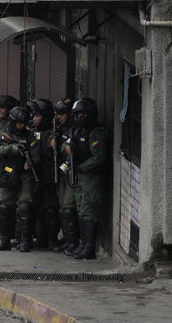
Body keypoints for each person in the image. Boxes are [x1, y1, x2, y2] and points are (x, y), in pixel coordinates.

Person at [62, 98, 107, 260]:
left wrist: (81, 167)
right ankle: (83, 244)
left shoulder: (96, 132)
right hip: (79, 176)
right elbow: (65, 143)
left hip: (91, 177)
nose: (81, 116)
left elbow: (99, 157)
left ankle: (89, 247)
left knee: (88, 211)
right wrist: (66, 147)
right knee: (81, 210)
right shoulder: (77, 130)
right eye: (78, 113)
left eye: (84, 113)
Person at [0, 106, 38, 252]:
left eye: (24, 123)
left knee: (24, 207)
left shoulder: (29, 136)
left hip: (24, 175)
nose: (22, 126)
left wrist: (29, 164)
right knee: (4, 207)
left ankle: (24, 241)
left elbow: (36, 154)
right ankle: (5, 240)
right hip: (8, 173)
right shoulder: (3, 134)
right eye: (19, 123)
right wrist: (12, 148)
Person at [27, 99, 59, 250]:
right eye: (33, 115)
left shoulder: (53, 133)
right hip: (34, 176)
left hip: (49, 175)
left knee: (51, 208)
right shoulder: (32, 132)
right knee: (37, 208)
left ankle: (53, 241)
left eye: (37, 115)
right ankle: (40, 238)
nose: (34, 118)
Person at [51, 99, 80, 254]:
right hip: (61, 171)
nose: (59, 116)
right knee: (62, 208)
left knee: (69, 208)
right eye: (57, 114)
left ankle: (74, 243)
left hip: (71, 171)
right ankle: (68, 240)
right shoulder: (60, 128)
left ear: (70, 114)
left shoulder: (75, 129)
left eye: (62, 114)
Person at [0, 95, 19, 236]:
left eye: (3, 107)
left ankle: (12, 231)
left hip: (12, 166)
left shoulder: (15, 125)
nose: (0, 110)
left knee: (12, 201)